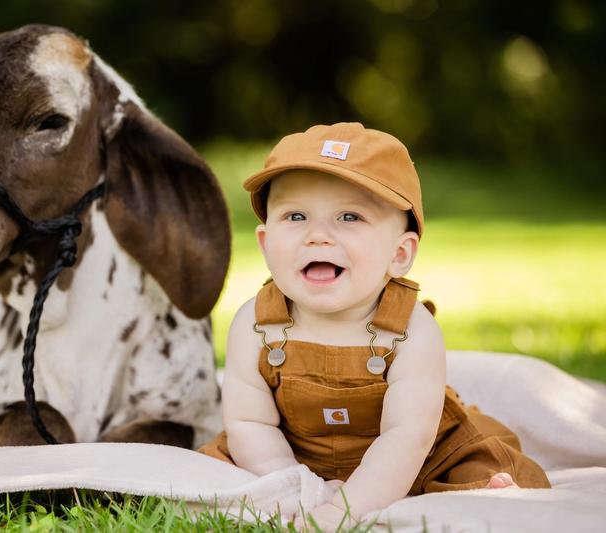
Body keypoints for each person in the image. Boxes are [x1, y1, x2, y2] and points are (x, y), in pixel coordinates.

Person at [198, 122, 550, 527]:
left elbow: (407, 438)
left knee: (484, 461)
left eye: (349, 217)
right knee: (218, 465)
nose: (317, 235)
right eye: (295, 215)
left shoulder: (411, 330)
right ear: (264, 243)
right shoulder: (255, 324)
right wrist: (289, 485)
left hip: (419, 454)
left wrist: (342, 508)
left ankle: (475, 497)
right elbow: (250, 421)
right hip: (294, 451)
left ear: (400, 254)